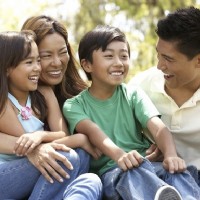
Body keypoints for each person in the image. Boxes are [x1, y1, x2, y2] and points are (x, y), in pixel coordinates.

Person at [63, 24, 200, 200]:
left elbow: (158, 127)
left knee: (177, 171)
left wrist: (171, 156)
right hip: (113, 172)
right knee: (129, 174)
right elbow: (95, 133)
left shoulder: (133, 93)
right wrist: (120, 156)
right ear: (87, 64)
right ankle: (160, 195)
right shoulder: (74, 105)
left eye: (124, 56)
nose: (119, 63)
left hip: (147, 164)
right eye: (109, 56)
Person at [0, 17, 102, 200]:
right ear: (7, 68)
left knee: (89, 177)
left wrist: (41, 134)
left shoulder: (46, 94)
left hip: (34, 172)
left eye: (38, 60)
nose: (37, 68)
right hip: (9, 173)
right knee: (69, 157)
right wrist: (79, 138)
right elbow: (28, 148)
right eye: (30, 62)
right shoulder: (5, 102)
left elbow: (60, 135)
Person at [128, 6, 200, 187]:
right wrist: (144, 148)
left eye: (169, 59)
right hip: (159, 180)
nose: (160, 66)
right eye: (158, 55)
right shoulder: (140, 86)